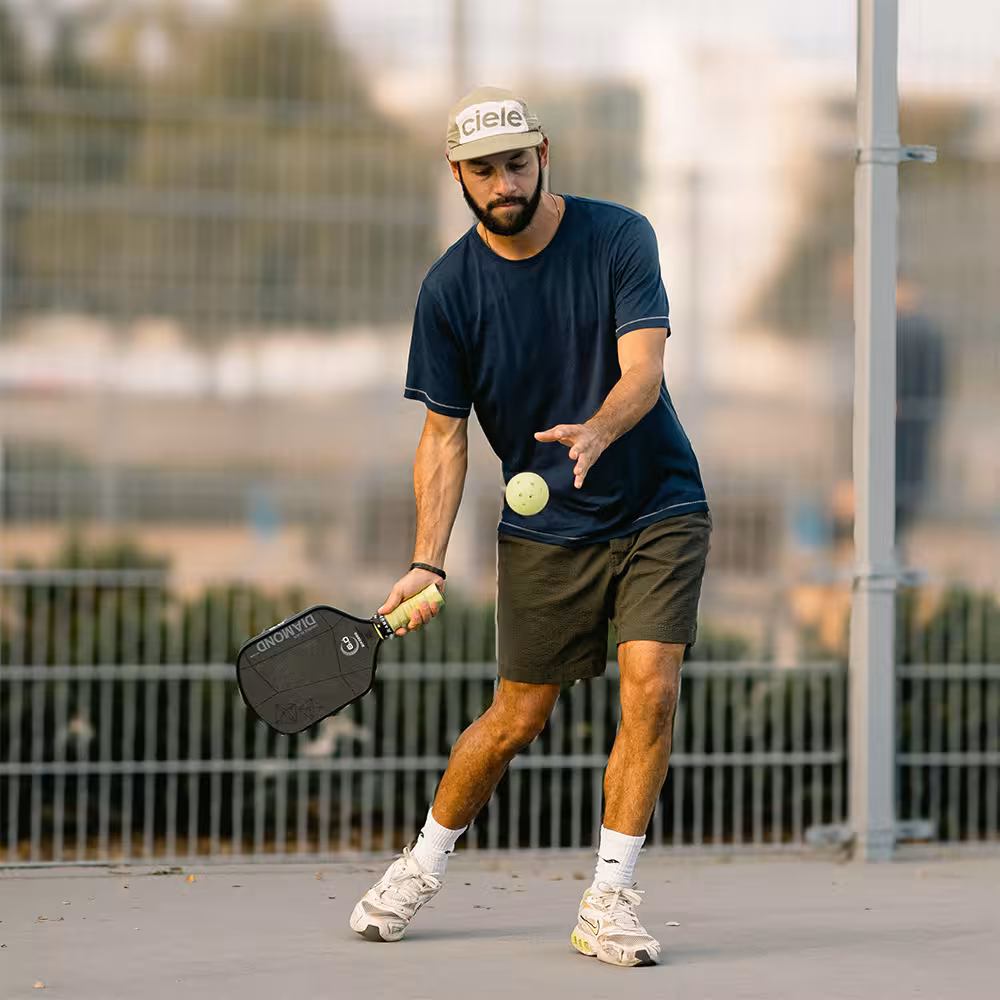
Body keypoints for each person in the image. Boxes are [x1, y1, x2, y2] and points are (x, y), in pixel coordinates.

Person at [349, 86, 711, 968]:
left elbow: (645, 369)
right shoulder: (449, 291)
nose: (504, 181)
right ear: (458, 176)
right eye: (484, 169)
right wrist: (426, 562)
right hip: (546, 535)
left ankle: (609, 898)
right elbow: (443, 439)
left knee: (651, 687)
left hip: (657, 502)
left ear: (542, 154)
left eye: (517, 161)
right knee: (516, 719)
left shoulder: (621, 236)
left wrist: (598, 429)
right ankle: (420, 865)